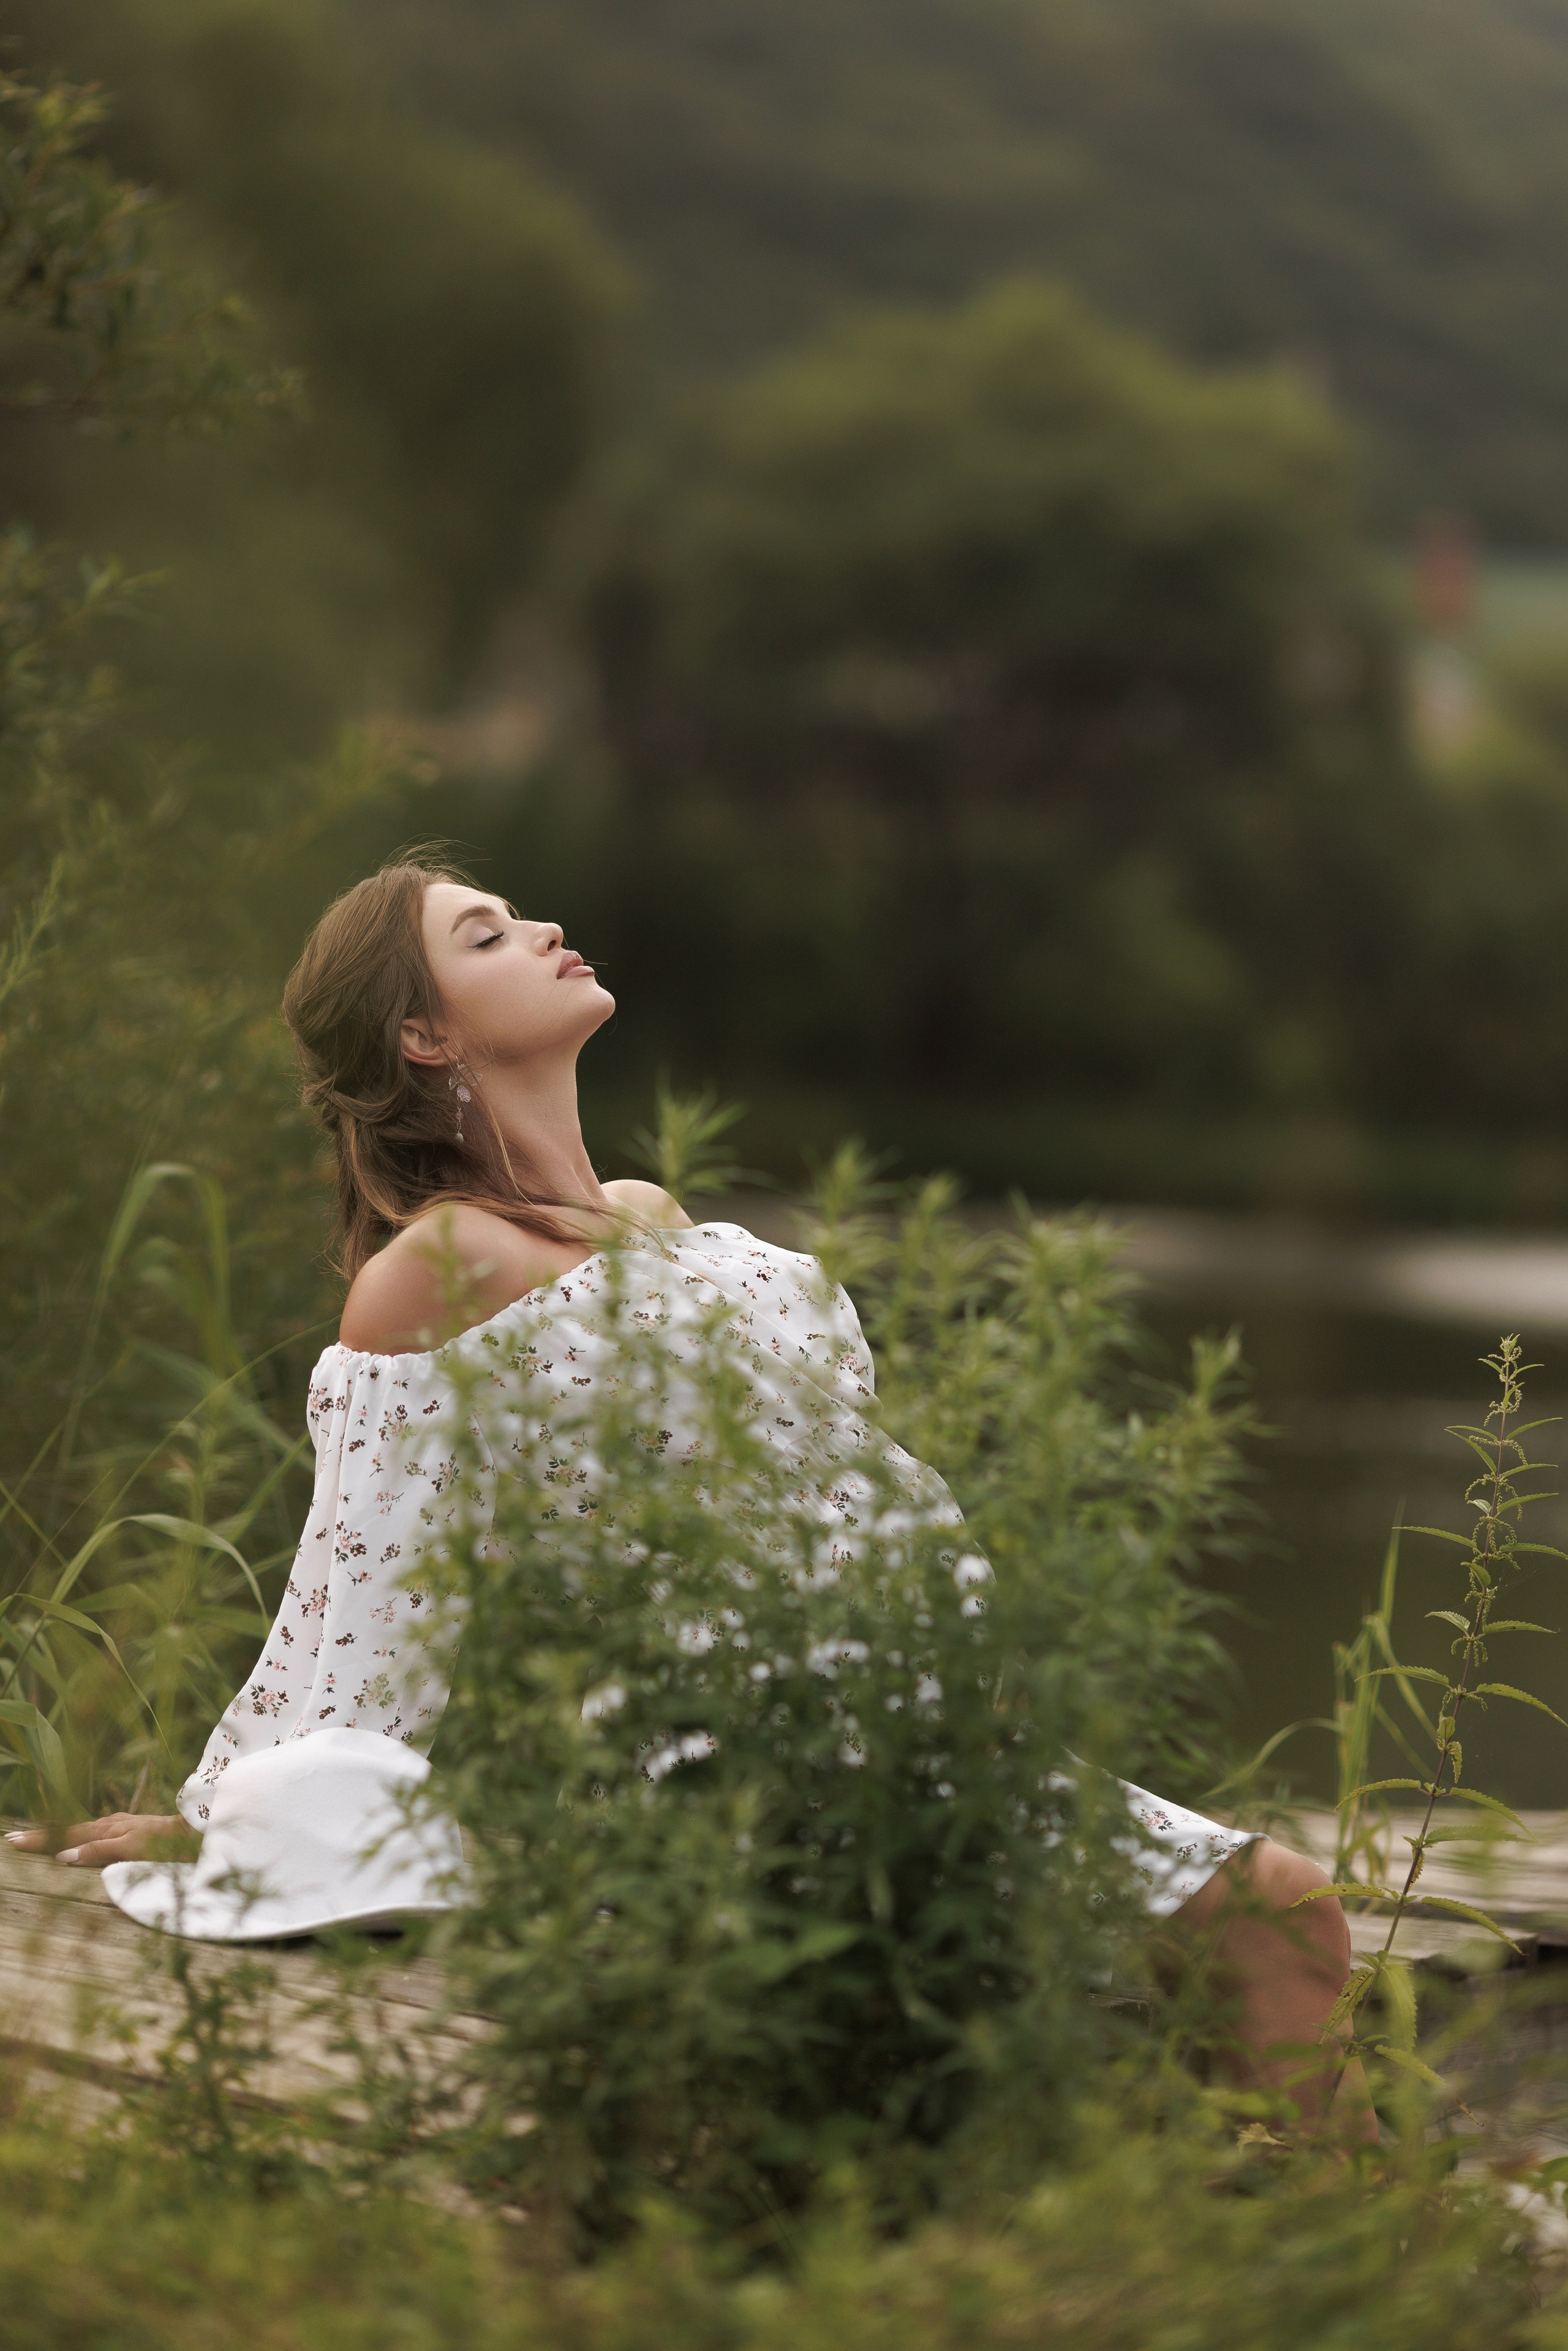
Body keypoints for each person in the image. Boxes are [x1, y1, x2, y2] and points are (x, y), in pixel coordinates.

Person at [7, 858, 1371, 2134]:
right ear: (424, 1037)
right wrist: (236, 1815)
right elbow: (366, 1585)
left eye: (516, 913)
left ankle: (1334, 2261)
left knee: (1282, 1922)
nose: (540, 929)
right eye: (484, 936)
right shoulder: (435, 1268)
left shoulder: (652, 1217)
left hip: (928, 1719)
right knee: (1275, 1907)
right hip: (736, 1755)